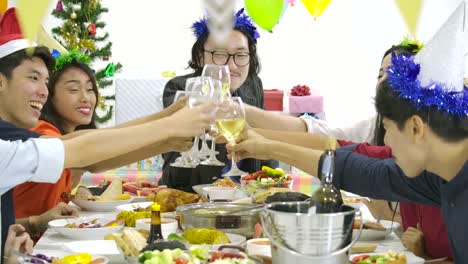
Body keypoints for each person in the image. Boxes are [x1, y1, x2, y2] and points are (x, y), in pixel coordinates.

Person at [228, 4, 467, 262]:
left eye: (386, 128)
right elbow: (352, 166)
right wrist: (266, 146)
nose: (385, 142)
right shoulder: (435, 176)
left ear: (416, 127)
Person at [0, 7, 216, 256]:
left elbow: (87, 153)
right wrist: (169, 125)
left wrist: (167, 134)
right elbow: (84, 152)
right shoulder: (27, 137)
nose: (43, 91)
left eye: (45, 81)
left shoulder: (19, 136)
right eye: (33, 78)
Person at [161, 8, 276, 192]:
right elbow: (194, 133)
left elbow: (264, 142)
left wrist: (271, 181)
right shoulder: (179, 87)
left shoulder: (253, 85)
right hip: (187, 194)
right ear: (200, 57)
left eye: (240, 55)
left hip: (245, 196)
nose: (231, 66)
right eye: (220, 54)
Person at [14, 50, 98, 221]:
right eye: (74, 89)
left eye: (90, 89)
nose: (86, 98)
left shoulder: (64, 135)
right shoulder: (44, 133)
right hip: (21, 242)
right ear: (50, 96)